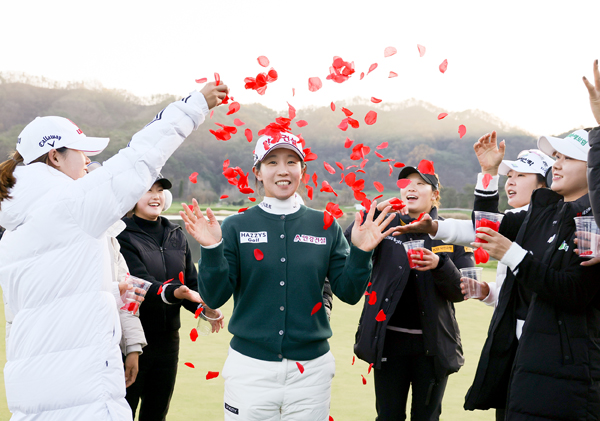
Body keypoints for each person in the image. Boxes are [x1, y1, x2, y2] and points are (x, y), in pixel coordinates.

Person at [0, 81, 228, 420]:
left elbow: (50, 298)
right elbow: (139, 158)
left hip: (34, 389)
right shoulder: (69, 203)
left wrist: (107, 290)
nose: (88, 161)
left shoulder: (14, 227)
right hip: (81, 391)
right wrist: (194, 106)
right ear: (55, 156)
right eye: (81, 152)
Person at [180, 130, 396, 420]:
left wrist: (361, 252)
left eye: (291, 162)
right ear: (257, 172)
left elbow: (349, 292)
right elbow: (215, 296)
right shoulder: (235, 226)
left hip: (311, 373)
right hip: (249, 369)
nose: (283, 170)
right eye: (272, 162)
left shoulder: (325, 225)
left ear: (302, 171)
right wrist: (211, 248)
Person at [459, 130, 600, 420]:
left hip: (565, 369)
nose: (556, 165)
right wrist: (489, 174)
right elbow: (486, 228)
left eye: (568, 158)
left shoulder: (593, 224)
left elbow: (574, 292)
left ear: (593, 170)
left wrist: (512, 255)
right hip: (522, 356)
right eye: (556, 157)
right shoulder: (544, 211)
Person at [346, 163, 473, 421]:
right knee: (388, 417)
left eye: (420, 183)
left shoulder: (450, 232)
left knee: (427, 418)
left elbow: (463, 290)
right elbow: (350, 240)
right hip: (389, 345)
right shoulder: (385, 225)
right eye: (406, 183)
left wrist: (440, 265)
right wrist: (374, 213)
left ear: (435, 194)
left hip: (433, 347)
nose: (410, 188)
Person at [117, 175, 224, 420]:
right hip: (133, 342)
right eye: (148, 190)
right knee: (123, 411)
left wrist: (205, 309)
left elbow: (191, 284)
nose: (155, 196)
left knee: (157, 413)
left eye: (159, 190)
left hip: (168, 343)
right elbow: (141, 284)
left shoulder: (176, 234)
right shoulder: (122, 235)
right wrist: (175, 292)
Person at [397, 150, 552, 310]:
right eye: (509, 176)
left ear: (545, 183)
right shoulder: (517, 219)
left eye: (520, 175)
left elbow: (483, 227)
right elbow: (519, 292)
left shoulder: (544, 221)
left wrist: (435, 234)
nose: (510, 182)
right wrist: (489, 292)